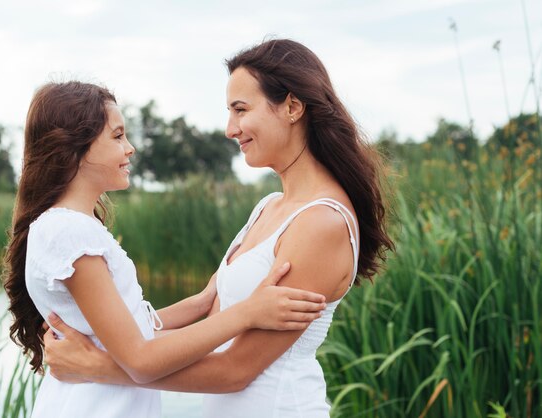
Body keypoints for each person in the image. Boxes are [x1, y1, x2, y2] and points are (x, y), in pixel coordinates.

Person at [42, 39, 394, 417]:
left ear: (292, 107)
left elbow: (235, 369)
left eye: (241, 110)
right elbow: (212, 322)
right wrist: (109, 342)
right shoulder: (269, 207)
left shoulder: (321, 222)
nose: (230, 129)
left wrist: (99, 367)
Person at [1, 80, 330, 418]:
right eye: (117, 136)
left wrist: (202, 301)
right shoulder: (70, 233)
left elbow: (134, 324)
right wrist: (248, 312)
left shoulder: (70, 227)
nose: (130, 148)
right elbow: (141, 359)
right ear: (75, 147)